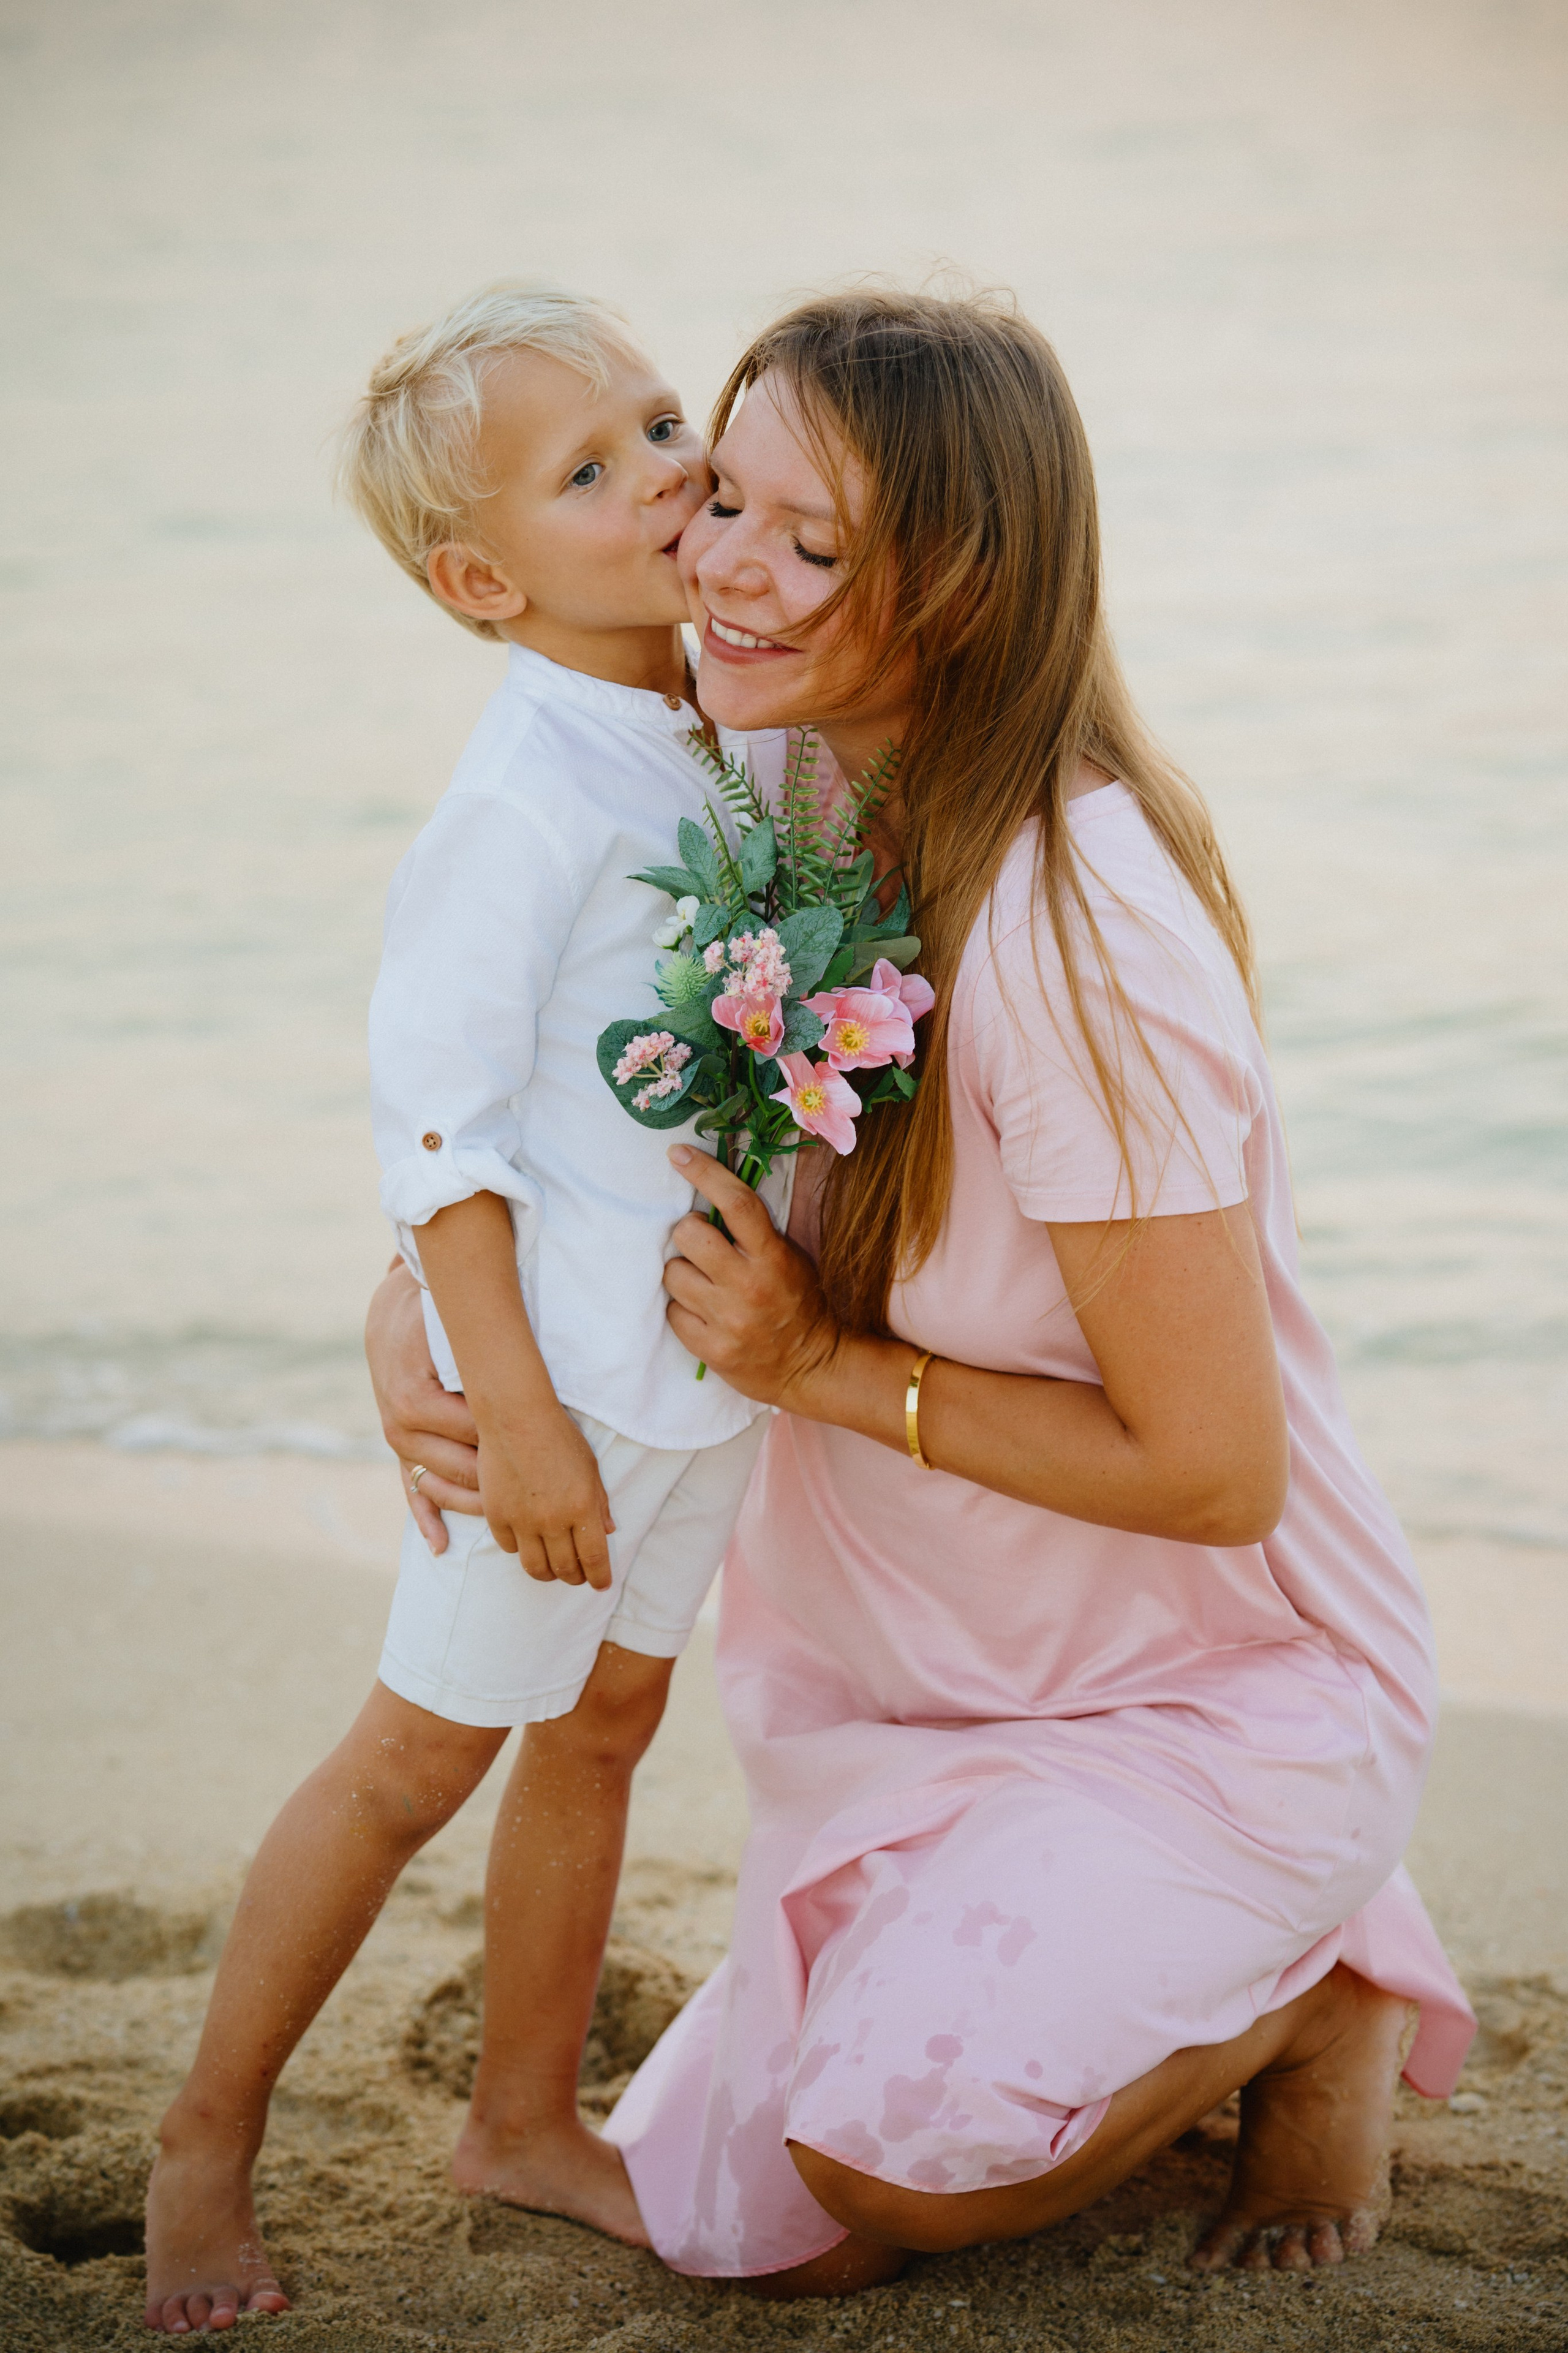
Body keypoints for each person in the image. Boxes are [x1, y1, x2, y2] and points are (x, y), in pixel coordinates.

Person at [374, 287, 1477, 2298]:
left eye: (819, 548)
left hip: (1200, 1697)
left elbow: (1221, 1472)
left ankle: (1323, 1995)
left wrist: (820, 1362)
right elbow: (539, 1083)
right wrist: (412, 1314)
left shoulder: (1080, 930)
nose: (728, 571)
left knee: (909, 2178)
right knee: (750, 2236)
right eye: (728, 499)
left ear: (966, 588)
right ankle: (1092, 1941)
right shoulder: (768, 787)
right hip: (892, 1702)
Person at [143, 282, 783, 2335]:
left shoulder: (709, 726)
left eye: (666, 419)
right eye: (594, 469)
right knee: (414, 1758)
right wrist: (498, 1398)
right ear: (482, 579)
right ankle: (200, 2138)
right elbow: (442, 1126)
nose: (671, 470)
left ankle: (520, 2116)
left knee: (607, 1725)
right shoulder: (528, 792)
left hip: (691, 1376)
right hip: (561, 1390)